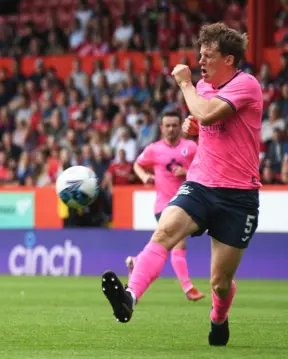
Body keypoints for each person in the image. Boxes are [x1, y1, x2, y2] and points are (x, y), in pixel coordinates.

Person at [100, 23, 262, 347]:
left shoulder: (246, 85)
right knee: (164, 232)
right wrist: (195, 127)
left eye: (208, 55)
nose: (200, 61)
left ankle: (218, 318)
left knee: (219, 282)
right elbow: (206, 121)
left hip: (238, 196)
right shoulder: (203, 86)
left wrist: (187, 87)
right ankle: (129, 298)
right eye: (199, 54)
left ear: (228, 59)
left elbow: (208, 113)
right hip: (200, 184)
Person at [128, 110, 205, 301]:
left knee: (165, 245)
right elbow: (137, 164)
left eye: (174, 125)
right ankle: (188, 288)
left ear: (180, 127)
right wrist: (144, 176)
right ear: (162, 128)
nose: (171, 129)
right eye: (167, 126)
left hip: (185, 204)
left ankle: (136, 261)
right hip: (163, 205)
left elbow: (203, 168)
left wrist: (186, 172)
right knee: (179, 241)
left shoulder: (191, 147)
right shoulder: (154, 149)